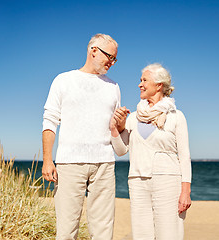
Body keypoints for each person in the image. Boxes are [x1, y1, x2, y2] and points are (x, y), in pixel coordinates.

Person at [42, 33, 124, 240]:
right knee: (67, 228)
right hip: (70, 162)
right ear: (93, 50)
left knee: (103, 229)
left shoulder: (114, 87)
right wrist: (47, 160)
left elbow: (116, 128)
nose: (112, 63)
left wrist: (121, 124)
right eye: (110, 57)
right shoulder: (63, 80)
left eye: (115, 59)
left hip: (105, 163)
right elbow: (50, 121)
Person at [110, 63, 192, 240]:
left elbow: (184, 156)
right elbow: (121, 150)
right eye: (140, 80)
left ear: (159, 85)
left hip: (168, 182)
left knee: (169, 234)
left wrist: (185, 192)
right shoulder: (132, 118)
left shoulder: (176, 116)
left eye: (144, 80)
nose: (140, 84)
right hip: (137, 183)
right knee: (141, 235)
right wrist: (115, 129)